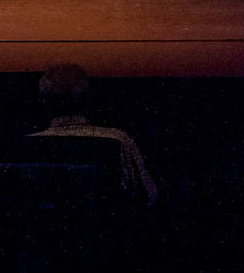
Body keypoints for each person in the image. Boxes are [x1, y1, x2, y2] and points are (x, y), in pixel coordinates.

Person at [30, 63, 159, 207]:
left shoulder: (27, 147)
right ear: (89, 99)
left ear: (44, 103)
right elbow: (149, 194)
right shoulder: (118, 139)